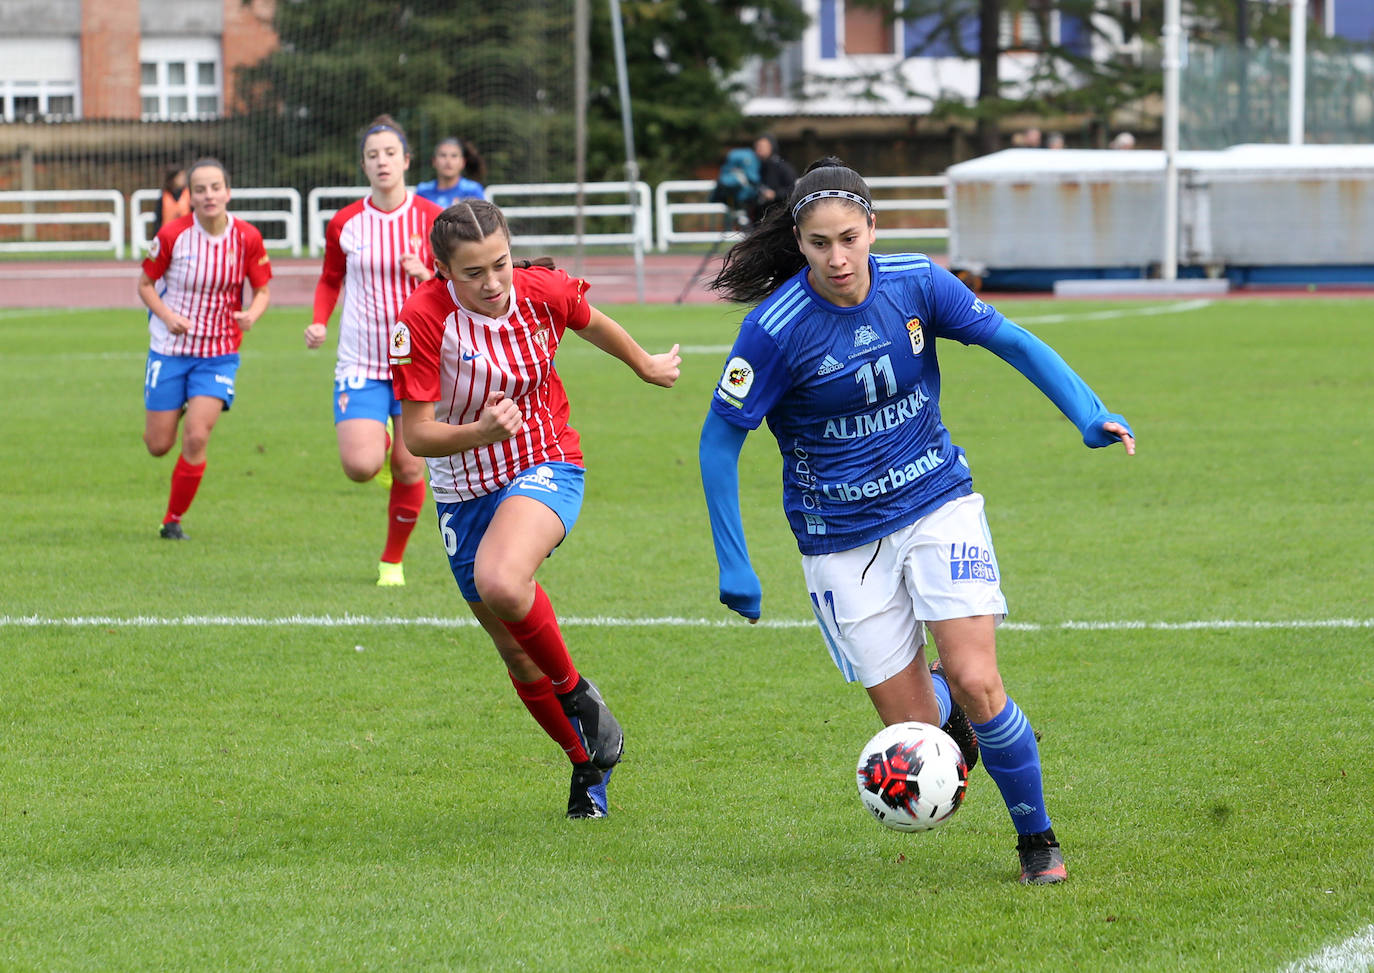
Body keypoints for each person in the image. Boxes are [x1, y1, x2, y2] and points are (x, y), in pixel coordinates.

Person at [698, 158, 1135, 884]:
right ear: (798, 243)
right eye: (818, 243)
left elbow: (1012, 341)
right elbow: (720, 440)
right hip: (839, 539)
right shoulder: (774, 330)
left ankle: (1038, 842)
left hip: (937, 499)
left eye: (848, 237)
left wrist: (1088, 412)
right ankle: (948, 708)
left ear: (872, 226)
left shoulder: (916, 281)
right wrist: (734, 559)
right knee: (917, 738)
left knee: (978, 677)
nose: (837, 258)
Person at [389, 199, 681, 818]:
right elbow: (415, 436)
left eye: (500, 264)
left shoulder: (539, 290)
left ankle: (577, 694)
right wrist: (479, 432)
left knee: (501, 579)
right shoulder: (420, 320)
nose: (493, 283)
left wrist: (645, 364)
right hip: (461, 488)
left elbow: (591, 320)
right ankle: (587, 765)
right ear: (443, 271)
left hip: (543, 461)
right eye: (474, 273)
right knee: (515, 652)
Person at [304, 114, 444, 586]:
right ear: (363, 166)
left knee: (410, 467)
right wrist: (319, 322)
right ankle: (378, 445)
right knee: (362, 467)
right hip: (362, 359)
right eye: (372, 155)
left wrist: (426, 276)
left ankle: (392, 562)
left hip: (419, 360)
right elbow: (330, 278)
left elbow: (457, 285)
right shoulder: (346, 222)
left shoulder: (431, 219)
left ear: (406, 161)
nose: (381, 162)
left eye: (390, 154)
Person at [138, 158, 272, 540]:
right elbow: (145, 285)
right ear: (191, 196)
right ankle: (176, 404)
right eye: (200, 189)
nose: (209, 195)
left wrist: (252, 315)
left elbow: (262, 291)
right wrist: (167, 317)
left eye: (216, 187)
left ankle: (172, 520)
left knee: (196, 436)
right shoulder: (171, 235)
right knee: (158, 445)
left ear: (227, 192)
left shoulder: (247, 237)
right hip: (169, 348)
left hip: (219, 351)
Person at [416, 136, 487, 208]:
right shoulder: (423, 191)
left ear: (463, 162)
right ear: (434, 161)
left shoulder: (472, 190)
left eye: (454, 156)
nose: (448, 161)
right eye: (443, 155)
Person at [751, 134, 797, 223]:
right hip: (761, 216)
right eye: (757, 146)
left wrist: (775, 194)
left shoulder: (782, 167)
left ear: (771, 147)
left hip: (778, 216)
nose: (759, 149)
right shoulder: (757, 167)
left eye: (762, 146)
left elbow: (793, 189)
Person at [154, 166, 190, 235]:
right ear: (172, 179)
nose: (183, 179)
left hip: (185, 234)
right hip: (168, 234)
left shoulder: (188, 195)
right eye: (180, 177)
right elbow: (158, 220)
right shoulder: (163, 197)